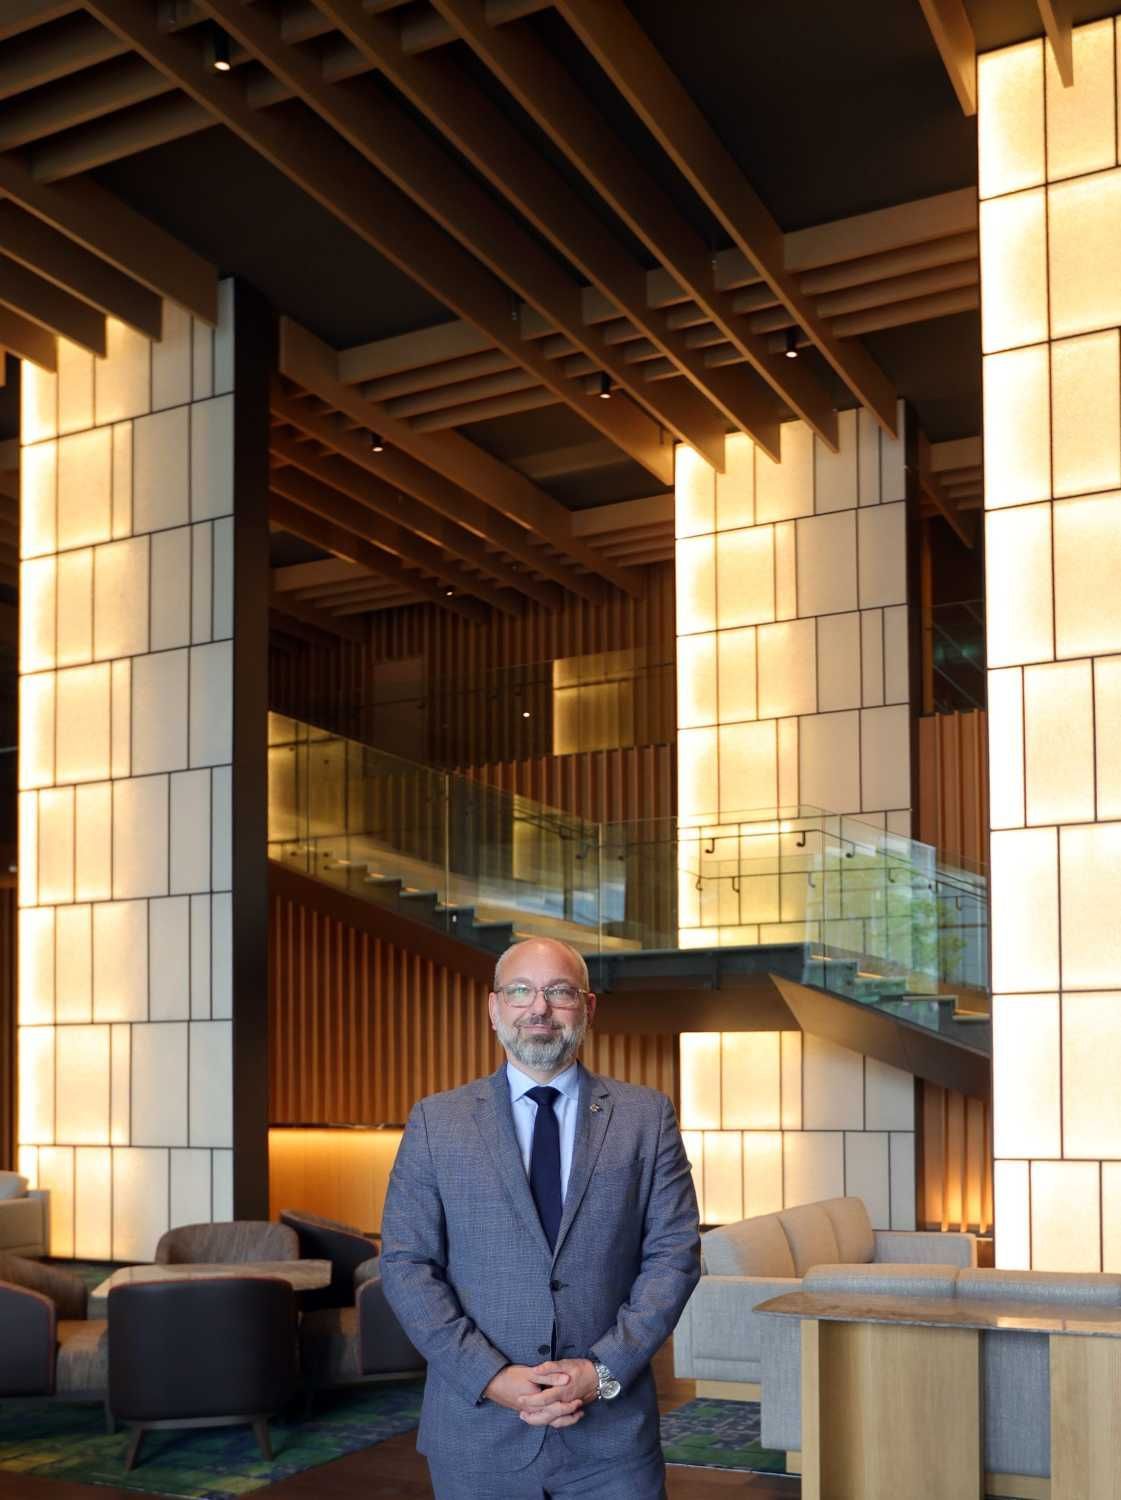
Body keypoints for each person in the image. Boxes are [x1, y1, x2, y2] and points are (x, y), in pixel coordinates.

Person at [379, 935, 701, 1499]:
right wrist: (491, 1377)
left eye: (559, 992)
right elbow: (408, 1265)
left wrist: (600, 1371)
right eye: (521, 991)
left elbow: (673, 1255)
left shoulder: (646, 1117)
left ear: (589, 1007)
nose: (539, 1008)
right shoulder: (437, 1121)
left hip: (611, 1442)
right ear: (494, 1008)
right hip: (477, 1434)